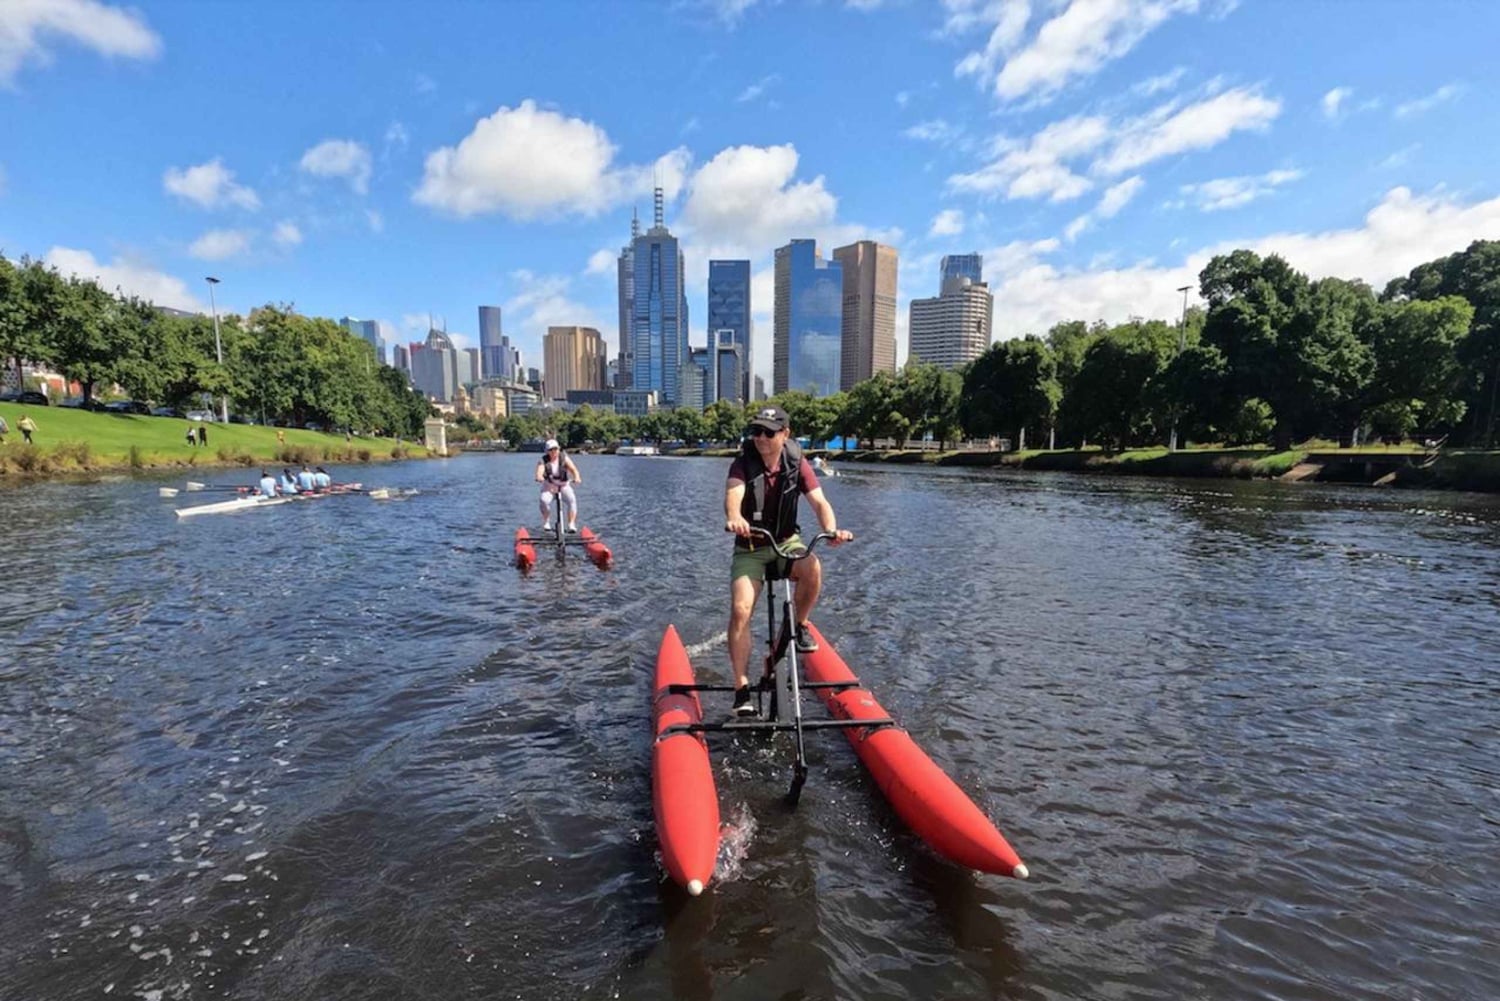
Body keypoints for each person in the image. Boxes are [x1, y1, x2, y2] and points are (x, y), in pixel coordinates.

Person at [724, 405, 853, 716]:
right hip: (751, 547)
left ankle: (799, 625)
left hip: (785, 542)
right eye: (756, 432)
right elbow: (733, 496)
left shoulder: (797, 462)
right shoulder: (743, 464)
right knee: (741, 609)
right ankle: (741, 688)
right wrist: (735, 518)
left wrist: (831, 529)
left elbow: (819, 502)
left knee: (812, 567)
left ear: (785, 434)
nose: (761, 438)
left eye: (769, 432)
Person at [534, 438, 581, 533]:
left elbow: (574, 470)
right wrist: (539, 477)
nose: (554, 452)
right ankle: (546, 522)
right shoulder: (543, 460)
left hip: (563, 486)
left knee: (572, 500)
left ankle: (571, 524)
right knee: (544, 501)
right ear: (547, 451)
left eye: (555, 449)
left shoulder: (564, 458)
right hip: (549, 486)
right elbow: (539, 471)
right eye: (551, 450)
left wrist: (577, 477)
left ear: (558, 449)